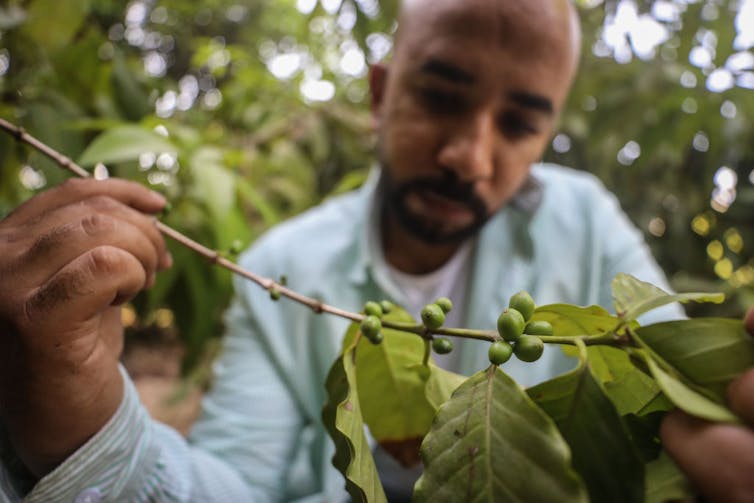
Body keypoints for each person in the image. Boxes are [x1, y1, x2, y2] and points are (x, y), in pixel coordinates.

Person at [0, 0, 751, 501]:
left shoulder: (583, 220)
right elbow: (236, 482)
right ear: (381, 94)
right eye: (440, 97)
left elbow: (669, 373)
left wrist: (716, 386)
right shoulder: (282, 264)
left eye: (517, 124)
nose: (468, 154)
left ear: (545, 137)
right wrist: (85, 425)